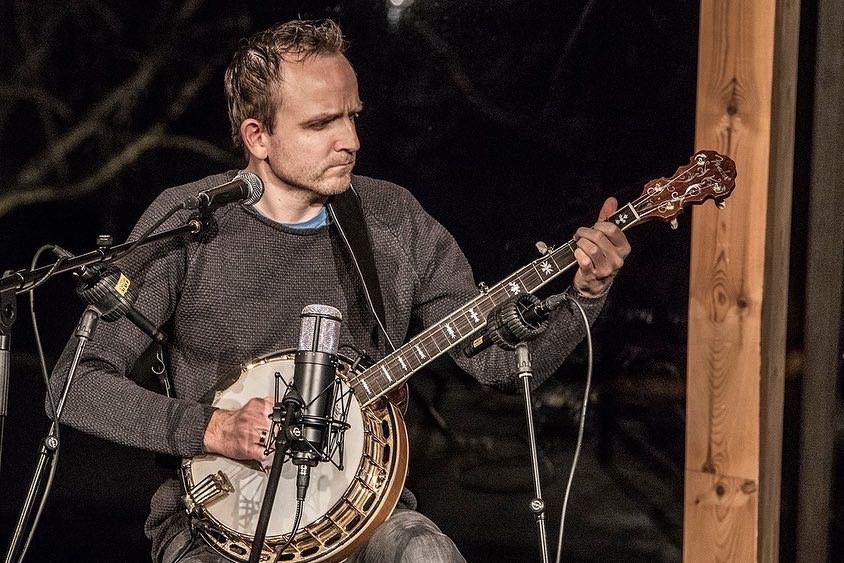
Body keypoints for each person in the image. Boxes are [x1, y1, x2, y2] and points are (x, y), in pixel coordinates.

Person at [49, 19, 630, 563]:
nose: (350, 139)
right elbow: (75, 386)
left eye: (353, 116)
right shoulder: (188, 221)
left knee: (426, 553)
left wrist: (584, 294)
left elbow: (503, 365)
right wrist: (211, 428)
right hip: (213, 523)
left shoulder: (393, 220)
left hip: (366, 513)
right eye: (321, 123)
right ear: (258, 136)